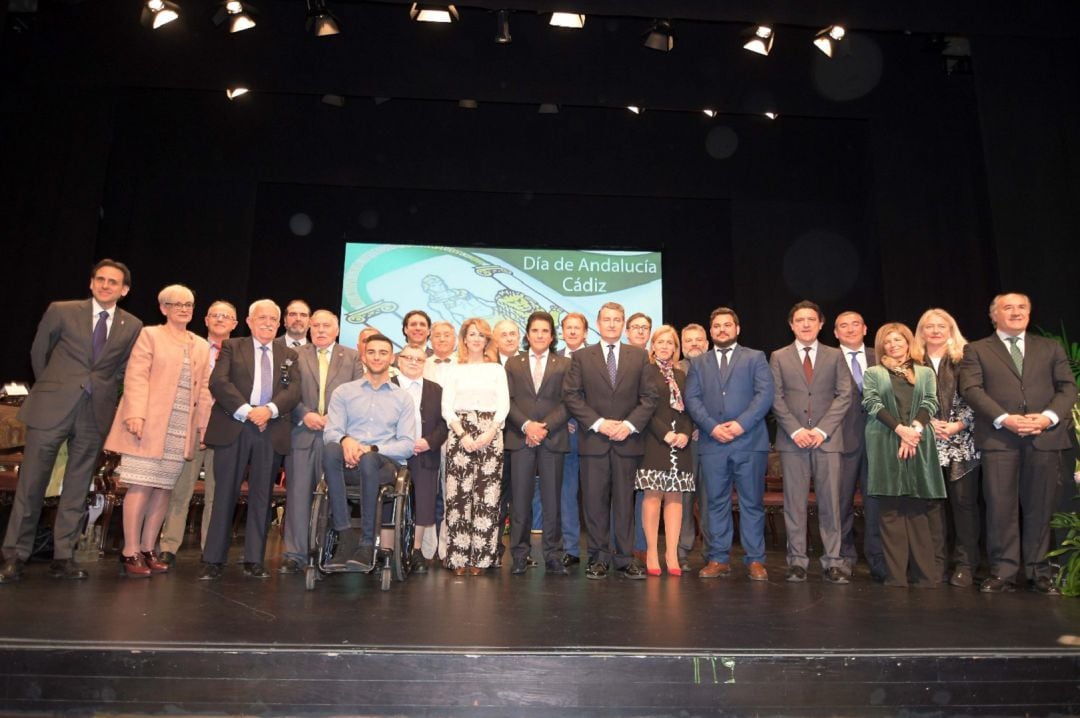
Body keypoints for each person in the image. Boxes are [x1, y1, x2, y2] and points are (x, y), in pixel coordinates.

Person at [1, 259, 143, 584]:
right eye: (100, 279)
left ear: (124, 290)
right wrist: (56, 388)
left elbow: (124, 368)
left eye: (113, 282)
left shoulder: (132, 325)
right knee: (31, 484)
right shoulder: (61, 311)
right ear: (91, 283)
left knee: (78, 487)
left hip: (94, 413)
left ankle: (63, 557)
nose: (105, 285)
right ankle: (14, 556)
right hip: (52, 407)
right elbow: (39, 353)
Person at [959, 293, 1077, 594]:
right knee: (1001, 508)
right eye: (1008, 307)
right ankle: (1003, 571)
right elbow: (971, 389)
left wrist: (1047, 418)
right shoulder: (977, 349)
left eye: (1022, 307)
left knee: (1040, 507)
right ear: (994, 315)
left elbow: (1067, 387)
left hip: (1044, 437)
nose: (1016, 312)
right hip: (1000, 438)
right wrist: (1005, 418)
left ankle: (1040, 572)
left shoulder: (1050, 347)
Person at [103, 285, 213, 577]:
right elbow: (136, 376)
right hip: (148, 424)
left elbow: (204, 389)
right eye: (176, 304)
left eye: (188, 304)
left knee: (163, 488)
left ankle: (148, 547)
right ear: (163, 308)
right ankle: (130, 550)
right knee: (141, 485)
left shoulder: (200, 345)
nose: (183, 309)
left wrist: (203, 425)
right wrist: (135, 414)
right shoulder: (150, 335)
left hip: (181, 427)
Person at [198, 299, 300, 580]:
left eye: (273, 319)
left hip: (270, 428)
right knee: (224, 493)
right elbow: (218, 382)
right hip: (235, 425)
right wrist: (248, 411)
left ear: (279, 324)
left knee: (262, 496)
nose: (268, 323)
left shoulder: (289, 354)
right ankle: (213, 559)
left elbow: (294, 391)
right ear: (249, 321)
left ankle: (254, 559)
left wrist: (269, 410)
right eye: (262, 317)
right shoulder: (232, 347)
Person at [562, 302, 657, 580]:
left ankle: (625, 557)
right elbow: (571, 395)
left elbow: (650, 397)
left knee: (625, 503)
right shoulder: (582, 357)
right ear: (598, 324)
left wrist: (628, 425)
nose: (612, 324)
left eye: (617, 319)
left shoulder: (639, 356)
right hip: (594, 440)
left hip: (627, 441)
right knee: (594, 503)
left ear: (623, 324)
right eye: (607, 319)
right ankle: (598, 557)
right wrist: (599, 423)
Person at [685, 308, 774, 581]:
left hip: (749, 441)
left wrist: (740, 425)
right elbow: (692, 399)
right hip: (713, 443)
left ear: (737, 329)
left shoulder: (755, 357)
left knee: (752, 503)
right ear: (711, 331)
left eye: (727, 325)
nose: (722, 329)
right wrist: (712, 427)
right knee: (715, 503)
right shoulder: (699, 363)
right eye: (717, 326)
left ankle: (755, 559)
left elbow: (764, 394)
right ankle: (718, 559)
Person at [770, 300, 853, 584]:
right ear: (791, 325)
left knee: (831, 503)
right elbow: (775, 397)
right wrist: (796, 430)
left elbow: (844, 396)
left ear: (821, 324)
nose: (805, 324)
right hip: (792, 441)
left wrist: (821, 431)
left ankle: (833, 561)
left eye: (811, 319)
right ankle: (797, 561)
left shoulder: (836, 355)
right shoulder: (778, 357)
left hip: (827, 441)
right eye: (799, 320)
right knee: (794, 504)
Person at [321, 334, 416, 572]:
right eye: (371, 352)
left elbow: (407, 445)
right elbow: (331, 431)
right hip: (347, 464)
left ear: (392, 358)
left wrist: (372, 449)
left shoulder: (402, 398)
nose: (377, 357)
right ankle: (345, 536)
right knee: (331, 449)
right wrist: (346, 441)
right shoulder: (344, 392)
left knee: (369, 460)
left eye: (383, 353)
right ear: (363, 356)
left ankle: (366, 544)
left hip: (383, 466)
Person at [278, 310, 363, 575]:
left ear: (337, 330)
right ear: (309, 329)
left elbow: (359, 395)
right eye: (316, 326)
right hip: (302, 433)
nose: (321, 330)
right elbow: (285, 392)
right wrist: (304, 414)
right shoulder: (294, 355)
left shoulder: (353, 357)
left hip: (337, 437)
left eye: (327, 326)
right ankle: (295, 554)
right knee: (298, 496)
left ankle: (327, 551)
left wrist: (334, 419)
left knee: (332, 497)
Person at [862, 322, 944, 588]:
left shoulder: (925, 372)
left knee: (918, 509)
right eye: (887, 341)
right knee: (890, 509)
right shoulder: (873, 372)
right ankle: (896, 577)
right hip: (885, 439)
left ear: (908, 342)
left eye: (898, 340)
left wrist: (914, 431)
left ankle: (926, 577)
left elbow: (930, 402)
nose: (893, 345)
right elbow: (871, 403)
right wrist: (900, 430)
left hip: (918, 441)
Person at [157, 300, 238, 565]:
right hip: (191, 427)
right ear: (205, 320)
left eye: (226, 316)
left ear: (235, 324)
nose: (220, 319)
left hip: (225, 430)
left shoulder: (241, 353)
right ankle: (168, 546)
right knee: (181, 490)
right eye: (215, 315)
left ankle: (209, 549)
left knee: (217, 494)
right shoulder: (192, 346)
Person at [915, 308, 981, 588]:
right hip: (926, 442)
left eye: (941, 326)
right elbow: (905, 399)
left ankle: (966, 565)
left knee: (964, 505)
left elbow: (980, 395)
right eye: (929, 326)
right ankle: (936, 564)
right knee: (931, 506)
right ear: (921, 332)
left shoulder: (967, 358)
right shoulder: (912, 361)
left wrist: (959, 424)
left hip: (962, 442)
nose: (935, 331)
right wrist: (928, 423)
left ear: (951, 330)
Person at [441, 318, 510, 575]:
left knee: (487, 498)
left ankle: (481, 558)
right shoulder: (454, 369)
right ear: (464, 339)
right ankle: (458, 557)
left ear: (487, 340)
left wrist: (490, 432)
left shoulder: (496, 369)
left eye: (481, 335)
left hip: (491, 433)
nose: (477, 339)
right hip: (460, 433)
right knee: (458, 497)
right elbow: (446, 407)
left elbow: (504, 404)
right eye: (472, 334)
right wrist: (463, 434)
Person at [505, 311, 571, 575]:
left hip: (552, 437)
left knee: (552, 500)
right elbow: (507, 400)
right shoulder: (513, 363)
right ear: (527, 334)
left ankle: (553, 555)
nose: (540, 335)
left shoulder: (565, 364)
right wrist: (526, 426)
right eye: (535, 330)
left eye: (545, 331)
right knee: (520, 501)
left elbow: (569, 401)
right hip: (520, 437)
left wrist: (544, 427)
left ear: (552, 336)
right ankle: (520, 555)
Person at [635, 325, 695, 576]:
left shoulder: (682, 375)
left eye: (669, 342)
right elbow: (643, 408)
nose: (664, 346)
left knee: (675, 497)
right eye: (660, 341)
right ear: (653, 346)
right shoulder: (646, 372)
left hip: (680, 443)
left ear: (675, 348)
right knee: (653, 495)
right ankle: (651, 552)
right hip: (654, 440)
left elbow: (690, 409)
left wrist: (685, 433)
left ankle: (671, 554)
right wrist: (665, 433)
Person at [833, 310, 885, 581]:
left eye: (855, 324)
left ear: (865, 329)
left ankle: (878, 559)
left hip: (879, 440)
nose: (850, 329)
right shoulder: (827, 359)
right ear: (835, 333)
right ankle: (843, 557)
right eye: (844, 325)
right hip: (841, 440)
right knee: (840, 502)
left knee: (876, 502)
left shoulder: (882, 357)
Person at [393, 344, 448, 573]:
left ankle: (415, 551)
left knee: (423, 503)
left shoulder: (436, 390)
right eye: (408, 358)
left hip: (425, 452)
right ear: (399, 360)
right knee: (391, 502)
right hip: (393, 454)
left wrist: (428, 442)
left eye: (419, 359)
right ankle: (390, 551)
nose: (413, 362)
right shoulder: (388, 386)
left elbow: (444, 423)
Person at [676, 322, 708, 571]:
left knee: (711, 499)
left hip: (713, 442)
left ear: (706, 344)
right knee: (683, 500)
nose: (694, 344)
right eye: (689, 340)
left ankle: (713, 553)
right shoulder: (675, 370)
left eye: (698, 340)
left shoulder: (717, 367)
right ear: (682, 345)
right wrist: (689, 428)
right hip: (685, 445)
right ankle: (681, 551)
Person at [558, 312, 588, 566]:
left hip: (592, 434)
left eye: (577, 328)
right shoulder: (554, 358)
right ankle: (571, 549)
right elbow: (551, 396)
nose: (572, 332)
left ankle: (601, 549)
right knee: (567, 493)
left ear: (585, 332)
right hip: (563, 435)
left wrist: (580, 419)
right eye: (568, 327)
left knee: (595, 494)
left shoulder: (596, 357)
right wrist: (563, 420)